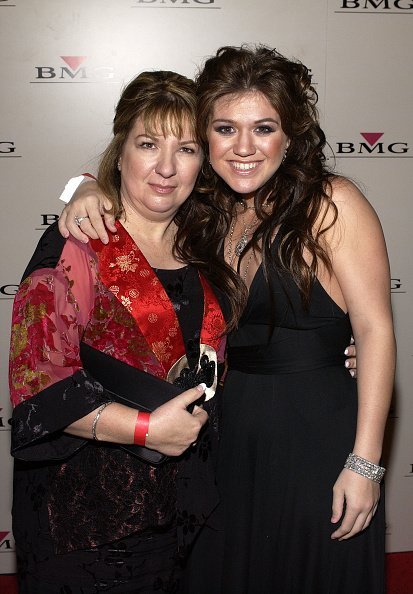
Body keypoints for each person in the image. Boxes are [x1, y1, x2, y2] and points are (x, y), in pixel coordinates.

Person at [56, 47, 377, 594]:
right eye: (226, 128)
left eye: (265, 128)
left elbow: (376, 332)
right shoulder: (206, 210)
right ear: (206, 139)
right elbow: (140, 177)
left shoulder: (332, 204)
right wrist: (82, 186)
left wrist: (365, 462)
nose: (245, 148)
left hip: (315, 440)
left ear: (290, 136)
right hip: (221, 440)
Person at [9, 70, 245, 594]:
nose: (165, 167)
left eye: (186, 149)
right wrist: (145, 431)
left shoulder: (205, 245)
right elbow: (38, 384)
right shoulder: (79, 241)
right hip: (86, 521)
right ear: (120, 154)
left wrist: (339, 352)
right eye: (147, 144)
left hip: (185, 512)